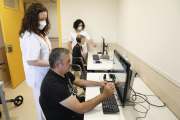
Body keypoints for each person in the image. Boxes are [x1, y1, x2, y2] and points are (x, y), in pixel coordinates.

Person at [40, 48, 115, 120]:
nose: (71, 63)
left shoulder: (64, 72)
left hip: (72, 107)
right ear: (57, 65)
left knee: (100, 107)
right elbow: (80, 108)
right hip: (68, 116)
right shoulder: (54, 85)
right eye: (68, 61)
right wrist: (104, 95)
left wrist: (99, 83)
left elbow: (79, 82)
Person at [19, 3, 51, 120]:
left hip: (45, 73)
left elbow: (45, 52)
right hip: (38, 76)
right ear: (33, 19)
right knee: (42, 105)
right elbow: (32, 61)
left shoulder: (40, 33)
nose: (44, 22)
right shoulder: (29, 36)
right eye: (41, 19)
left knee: (47, 103)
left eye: (45, 19)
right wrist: (53, 64)